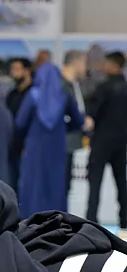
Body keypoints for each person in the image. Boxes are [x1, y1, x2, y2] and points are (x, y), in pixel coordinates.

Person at [15, 63, 85, 218]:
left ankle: (30, 221)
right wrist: (63, 128)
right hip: (57, 147)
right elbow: (79, 122)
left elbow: (20, 123)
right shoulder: (64, 96)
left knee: (33, 185)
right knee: (56, 185)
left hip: (35, 147)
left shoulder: (32, 96)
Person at [86, 51, 127, 239]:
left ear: (114, 66)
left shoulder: (103, 88)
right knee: (121, 183)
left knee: (95, 184)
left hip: (102, 142)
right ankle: (125, 221)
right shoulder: (125, 87)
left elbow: (93, 111)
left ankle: (91, 221)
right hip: (121, 142)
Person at [61, 51, 92, 198]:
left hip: (70, 143)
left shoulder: (74, 85)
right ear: (77, 63)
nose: (86, 67)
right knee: (60, 186)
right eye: (84, 63)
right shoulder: (61, 86)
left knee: (66, 186)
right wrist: (81, 121)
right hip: (62, 144)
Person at [5, 57, 33, 194]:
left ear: (27, 71)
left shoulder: (34, 94)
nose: (13, 73)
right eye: (12, 70)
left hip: (28, 148)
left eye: (16, 69)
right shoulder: (12, 95)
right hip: (11, 147)